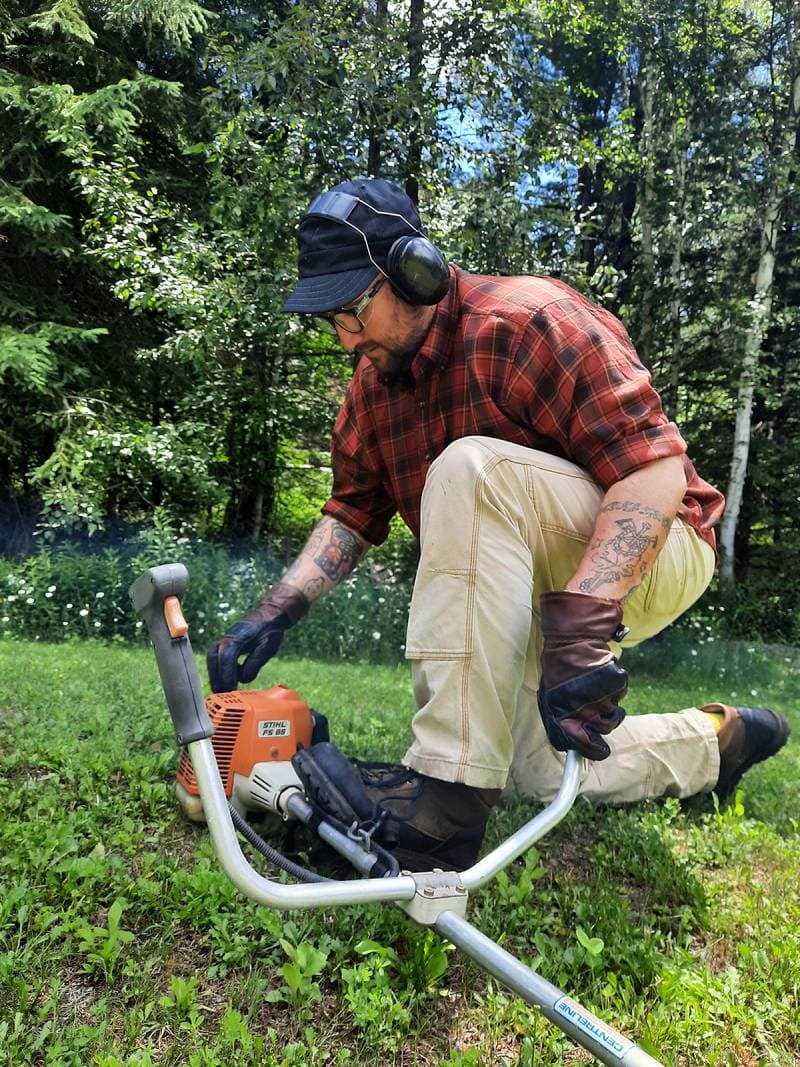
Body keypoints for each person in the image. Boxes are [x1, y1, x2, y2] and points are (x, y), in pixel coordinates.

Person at [207, 177, 790, 872]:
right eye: (331, 318)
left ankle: (445, 799)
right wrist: (278, 607)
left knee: (468, 469)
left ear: (415, 271)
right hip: (533, 569)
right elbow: (351, 513)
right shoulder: (371, 390)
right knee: (533, 771)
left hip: (659, 544)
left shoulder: (529, 322)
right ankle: (717, 743)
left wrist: (585, 620)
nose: (346, 338)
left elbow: (654, 473)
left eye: (356, 308)